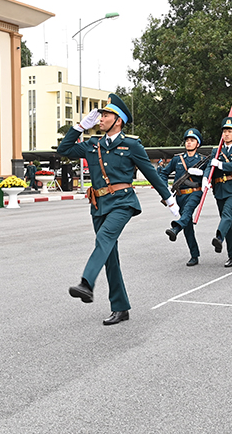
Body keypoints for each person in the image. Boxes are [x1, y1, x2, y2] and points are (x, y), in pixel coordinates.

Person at [58, 94, 179, 326]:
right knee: (110, 256)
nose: (100, 118)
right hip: (98, 205)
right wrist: (80, 126)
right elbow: (64, 149)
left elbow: (152, 174)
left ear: (119, 121)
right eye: (101, 115)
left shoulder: (131, 145)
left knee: (104, 238)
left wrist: (170, 200)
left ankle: (86, 283)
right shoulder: (93, 144)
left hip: (123, 203)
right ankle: (120, 307)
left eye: (106, 115)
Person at [158, 128, 205, 267]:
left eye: (192, 141)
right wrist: (165, 188)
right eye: (187, 141)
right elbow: (163, 173)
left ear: (198, 143)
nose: (189, 143)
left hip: (195, 192)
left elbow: (209, 175)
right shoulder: (177, 159)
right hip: (180, 195)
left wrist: (201, 173)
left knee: (188, 211)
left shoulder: (202, 160)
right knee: (188, 225)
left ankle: (175, 228)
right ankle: (194, 255)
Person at [206, 117, 232, 267]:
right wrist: (206, 178)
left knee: (227, 214)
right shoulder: (216, 151)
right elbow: (209, 167)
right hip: (219, 190)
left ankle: (219, 238)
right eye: (224, 131)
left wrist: (221, 164)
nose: (226, 134)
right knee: (227, 222)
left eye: (229, 131)